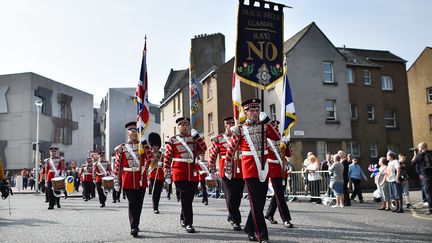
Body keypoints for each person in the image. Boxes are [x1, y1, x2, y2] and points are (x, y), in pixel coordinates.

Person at [225, 98, 280, 243]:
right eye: (252, 110)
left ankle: (249, 227)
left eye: (257, 110)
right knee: (255, 202)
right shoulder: (240, 130)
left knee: (260, 202)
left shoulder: (265, 127)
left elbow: (277, 137)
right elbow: (230, 151)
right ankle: (263, 235)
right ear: (245, 112)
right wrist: (228, 169)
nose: (255, 113)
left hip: (263, 168)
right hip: (249, 169)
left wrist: (267, 121)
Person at [164, 117, 207, 233]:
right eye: (182, 124)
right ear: (178, 127)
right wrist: (167, 174)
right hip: (179, 172)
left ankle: (183, 218)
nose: (184, 126)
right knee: (185, 197)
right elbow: (167, 158)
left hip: (192, 173)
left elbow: (204, 149)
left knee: (189, 198)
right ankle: (189, 223)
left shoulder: (193, 139)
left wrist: (198, 137)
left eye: (186, 124)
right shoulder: (172, 140)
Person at [113, 121, 153, 237]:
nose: (135, 133)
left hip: (141, 179)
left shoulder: (142, 146)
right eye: (133, 131)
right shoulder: (122, 148)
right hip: (128, 179)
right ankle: (133, 227)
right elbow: (118, 165)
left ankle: (136, 223)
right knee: (132, 203)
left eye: (137, 131)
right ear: (128, 133)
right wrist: (117, 181)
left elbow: (151, 158)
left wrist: (145, 144)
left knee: (139, 204)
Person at [209, 116, 244, 231]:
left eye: (232, 123)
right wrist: (212, 172)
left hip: (239, 169)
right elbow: (212, 157)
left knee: (238, 195)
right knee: (230, 195)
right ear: (225, 126)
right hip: (226, 170)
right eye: (228, 124)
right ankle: (236, 221)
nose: (231, 126)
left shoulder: (240, 137)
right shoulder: (218, 139)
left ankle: (231, 213)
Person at [264, 120, 294, 228]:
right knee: (280, 195)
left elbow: (289, 154)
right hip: (273, 170)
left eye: (277, 126)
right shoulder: (266, 140)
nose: (276, 128)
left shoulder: (282, 138)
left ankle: (269, 214)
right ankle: (286, 219)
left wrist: (287, 143)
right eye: (274, 126)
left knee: (279, 194)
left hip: (283, 170)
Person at [411, 142, 432, 215]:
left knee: (428, 193)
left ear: (421, 148)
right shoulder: (430, 153)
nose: (418, 148)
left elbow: (412, 163)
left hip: (426, 177)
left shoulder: (420, 155)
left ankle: (431, 209)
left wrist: (415, 155)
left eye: (419, 147)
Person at [148, 132, 164, 214]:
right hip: (152, 174)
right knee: (154, 191)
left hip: (160, 175)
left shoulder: (161, 154)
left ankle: (156, 205)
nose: (155, 147)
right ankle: (155, 207)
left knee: (158, 192)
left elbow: (165, 163)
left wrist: (162, 165)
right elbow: (147, 164)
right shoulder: (149, 154)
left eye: (156, 145)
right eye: (154, 146)